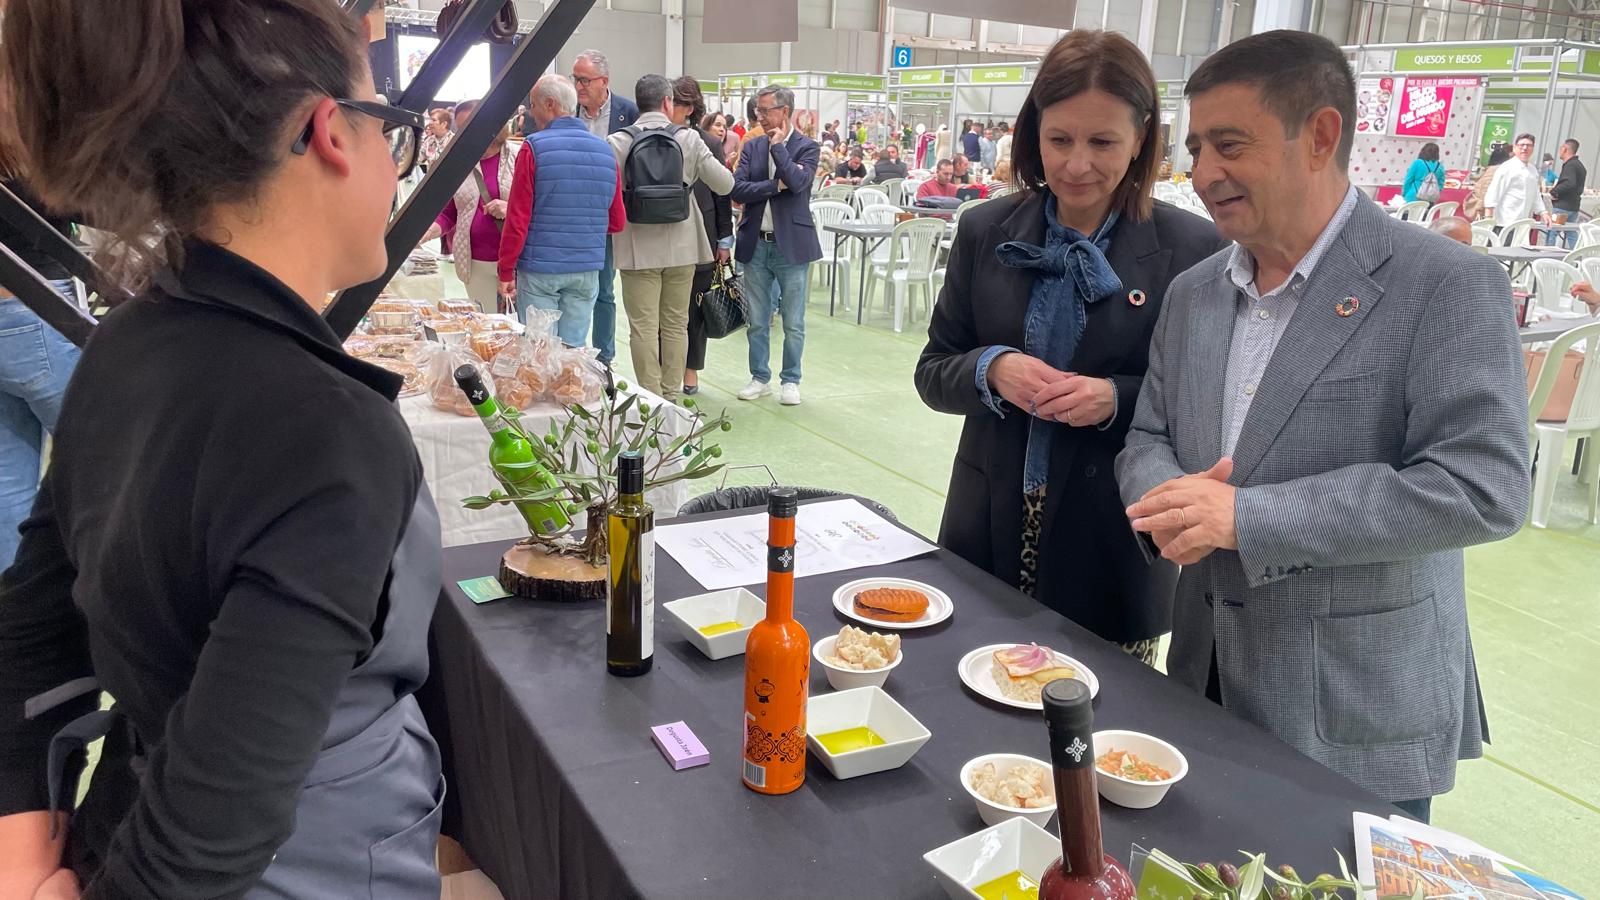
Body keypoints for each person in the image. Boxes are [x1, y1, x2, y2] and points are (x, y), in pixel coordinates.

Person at [0, 1, 450, 897]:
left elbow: (29, 637)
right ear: (331, 133)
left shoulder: (124, 345)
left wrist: (20, 860)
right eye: (388, 129)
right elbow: (215, 825)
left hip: (116, 828)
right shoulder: (332, 434)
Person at [1115, 30, 1528, 821]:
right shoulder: (1197, 293)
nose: (1202, 174)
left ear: (1322, 135)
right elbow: (1148, 438)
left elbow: (1483, 486)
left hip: (1354, 700)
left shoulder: (1444, 285)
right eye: (1196, 148)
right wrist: (1168, 502)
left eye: (1230, 146)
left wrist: (1246, 517)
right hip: (1202, 671)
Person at [917, 29, 1225, 665]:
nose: (1076, 164)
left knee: (1092, 738)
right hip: (988, 526)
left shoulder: (1193, 251)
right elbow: (933, 370)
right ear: (1033, 134)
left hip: (1109, 543)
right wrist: (991, 368)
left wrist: (1114, 399)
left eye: (1103, 142)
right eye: (1059, 140)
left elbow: (1209, 409)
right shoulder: (985, 229)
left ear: (1142, 140)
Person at [608, 74, 733, 401]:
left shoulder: (617, 142)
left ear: (639, 103)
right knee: (677, 325)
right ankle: (671, 396)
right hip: (683, 246)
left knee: (643, 328)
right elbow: (725, 185)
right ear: (667, 102)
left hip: (637, 248)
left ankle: (650, 399)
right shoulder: (690, 139)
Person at [497, 74, 625, 347]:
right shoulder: (605, 152)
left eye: (533, 105)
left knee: (539, 353)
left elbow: (518, 219)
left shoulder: (533, 148)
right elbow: (617, 222)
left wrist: (506, 270)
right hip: (586, 269)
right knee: (572, 355)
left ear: (550, 104)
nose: (531, 112)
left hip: (540, 267)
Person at [0, 174, 81, 572]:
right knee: (108, 460)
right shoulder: (16, 141)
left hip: (17, 312)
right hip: (32, 306)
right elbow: (70, 196)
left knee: (7, 487)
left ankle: (18, 616)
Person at [731, 84, 822, 406]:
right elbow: (738, 189)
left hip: (792, 246)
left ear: (784, 111)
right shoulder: (752, 146)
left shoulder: (807, 147)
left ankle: (791, 379)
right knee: (757, 319)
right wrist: (774, 185)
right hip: (756, 243)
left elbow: (798, 183)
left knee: (793, 321)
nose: (761, 116)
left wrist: (779, 148)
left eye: (766, 110)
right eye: (758, 111)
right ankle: (759, 377)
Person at [573, 49, 640, 366]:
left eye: (584, 80)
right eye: (576, 79)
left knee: (603, 290)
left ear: (604, 81)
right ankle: (571, 351)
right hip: (570, 213)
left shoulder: (629, 112)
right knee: (571, 287)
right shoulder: (569, 112)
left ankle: (603, 357)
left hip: (607, 215)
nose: (579, 86)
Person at [418, 98, 515, 314]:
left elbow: (538, 207)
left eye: (471, 126)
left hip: (518, 262)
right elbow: (449, 213)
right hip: (474, 263)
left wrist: (510, 209)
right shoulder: (459, 163)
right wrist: (427, 231)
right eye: (462, 129)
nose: (466, 135)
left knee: (521, 330)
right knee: (488, 331)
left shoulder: (519, 157)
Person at [671, 77, 734, 396]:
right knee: (666, 308)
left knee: (695, 309)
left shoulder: (708, 143)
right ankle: (665, 367)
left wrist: (725, 238)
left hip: (703, 237)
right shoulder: (658, 138)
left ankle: (690, 370)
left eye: (679, 102)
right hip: (666, 236)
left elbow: (723, 193)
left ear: (691, 108)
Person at [1485, 133, 1550, 232]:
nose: (1524, 148)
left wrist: (1543, 212)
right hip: (1504, 223)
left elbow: (1535, 193)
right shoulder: (1507, 167)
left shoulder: (1532, 170)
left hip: (1523, 223)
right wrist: (1488, 219)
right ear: (1515, 148)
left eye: (1528, 145)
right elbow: (1494, 192)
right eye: (1521, 145)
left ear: (1532, 149)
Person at [1551, 138, 1586, 250]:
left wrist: (1555, 191)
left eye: (1561, 148)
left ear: (1565, 149)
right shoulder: (1580, 166)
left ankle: (1545, 257)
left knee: (1552, 232)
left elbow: (1569, 183)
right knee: (1571, 233)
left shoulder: (1570, 165)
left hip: (1562, 207)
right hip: (1573, 206)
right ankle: (1577, 255)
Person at [1464, 144, 1510, 220]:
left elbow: (1484, 190)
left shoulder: (1492, 170)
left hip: (1487, 210)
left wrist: (1479, 209)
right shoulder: (1504, 170)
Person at [419, 107, 451, 173]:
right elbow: (419, 157)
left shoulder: (453, 141)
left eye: (434, 120)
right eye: (430, 120)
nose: (430, 123)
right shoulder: (429, 140)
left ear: (444, 124)